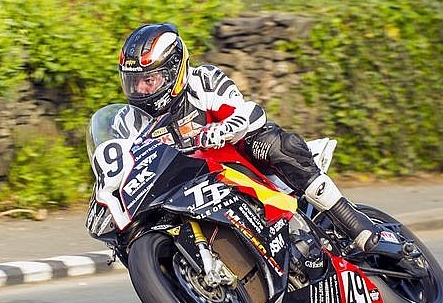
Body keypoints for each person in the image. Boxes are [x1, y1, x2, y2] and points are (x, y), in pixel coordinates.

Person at [118, 22, 381, 253]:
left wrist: (220, 131)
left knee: (272, 141)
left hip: (239, 167)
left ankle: (352, 221)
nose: (139, 89)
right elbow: (121, 163)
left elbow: (250, 114)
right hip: (188, 191)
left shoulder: (203, 81)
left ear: (173, 72)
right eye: (133, 81)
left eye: (148, 80)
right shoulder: (129, 121)